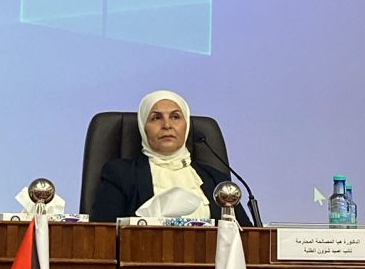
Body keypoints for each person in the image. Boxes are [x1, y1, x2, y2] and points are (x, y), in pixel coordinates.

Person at [89, 90, 250, 225]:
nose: (167, 125)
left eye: (175, 117)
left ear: (186, 125)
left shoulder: (217, 180)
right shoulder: (120, 174)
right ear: (143, 127)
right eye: (156, 118)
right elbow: (103, 234)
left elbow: (246, 236)